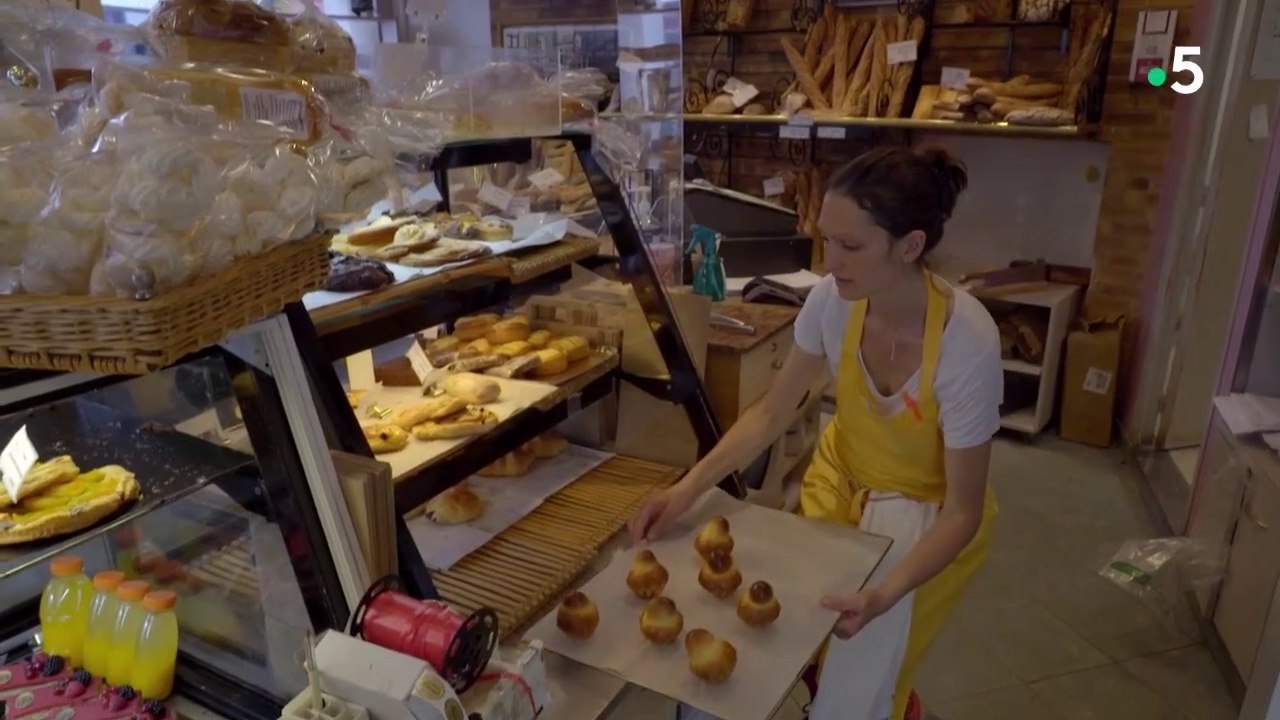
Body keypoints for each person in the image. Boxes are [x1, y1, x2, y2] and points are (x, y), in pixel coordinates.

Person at [629, 146, 1003, 720]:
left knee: (871, 668)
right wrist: (688, 490)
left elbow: (962, 512)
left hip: (927, 520)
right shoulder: (834, 302)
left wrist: (884, 594)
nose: (831, 262)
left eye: (851, 246)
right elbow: (771, 413)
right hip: (839, 484)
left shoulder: (967, 342)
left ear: (910, 246)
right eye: (826, 240)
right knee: (805, 633)